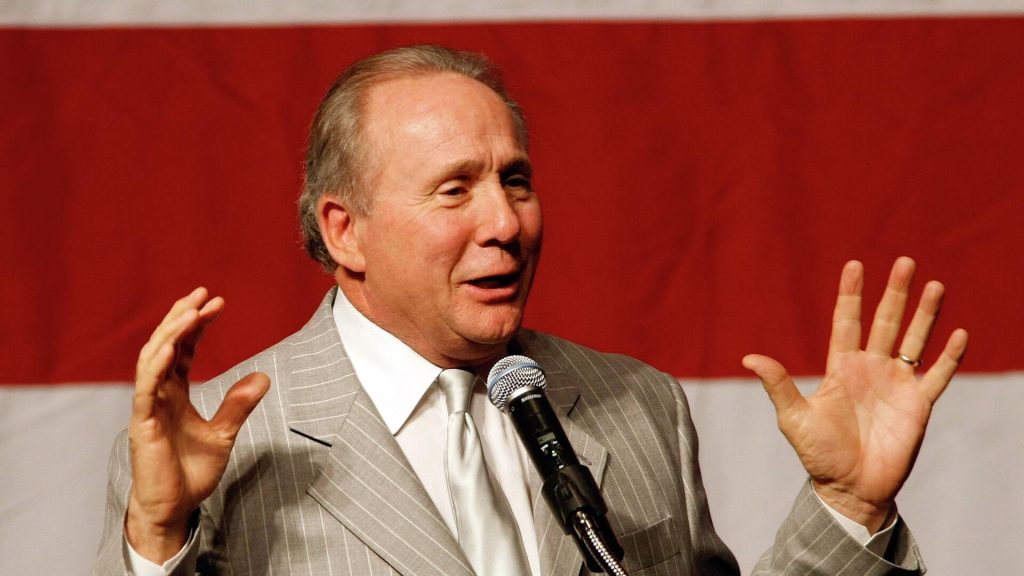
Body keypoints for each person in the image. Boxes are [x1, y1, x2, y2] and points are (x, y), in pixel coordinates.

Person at [94, 45, 968, 576]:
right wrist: (157, 540)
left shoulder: (641, 406)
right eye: (455, 189)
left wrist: (845, 506)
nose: (507, 224)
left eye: (515, 181)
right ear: (345, 230)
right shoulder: (221, 442)